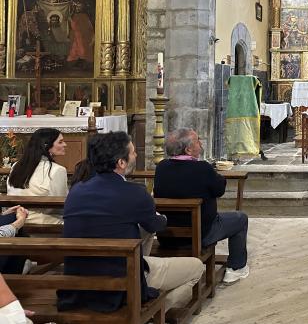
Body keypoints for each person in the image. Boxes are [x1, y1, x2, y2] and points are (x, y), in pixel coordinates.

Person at [59, 132, 204, 313]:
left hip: (77, 283)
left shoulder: (76, 191)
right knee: (197, 268)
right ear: (121, 162)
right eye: (133, 152)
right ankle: (154, 314)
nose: (135, 156)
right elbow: (156, 225)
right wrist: (163, 217)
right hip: (121, 284)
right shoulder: (135, 192)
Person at [154, 129, 249, 286]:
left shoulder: (162, 167)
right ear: (188, 149)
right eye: (198, 140)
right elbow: (219, 189)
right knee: (240, 218)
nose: (201, 143)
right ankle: (236, 268)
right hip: (202, 234)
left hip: (167, 235)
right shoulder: (202, 168)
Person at [7, 128, 68, 224]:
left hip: (16, 219)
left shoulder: (16, 166)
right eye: (60, 142)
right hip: (44, 222)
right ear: (46, 146)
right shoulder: (58, 170)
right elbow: (61, 203)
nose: (65, 144)